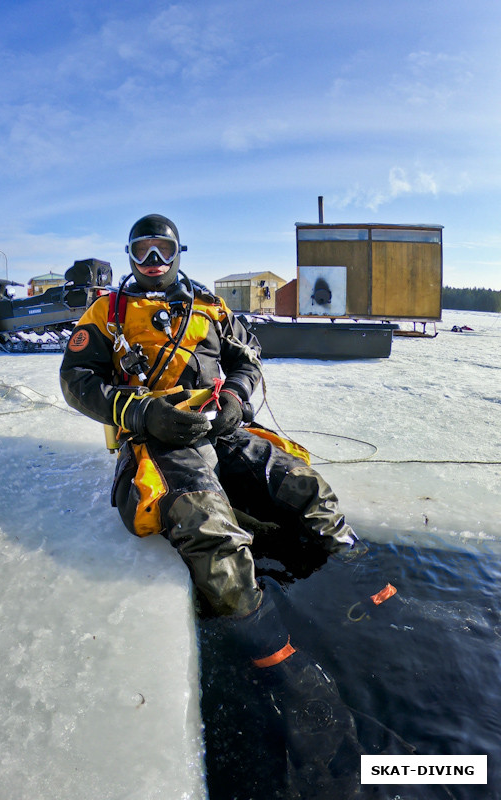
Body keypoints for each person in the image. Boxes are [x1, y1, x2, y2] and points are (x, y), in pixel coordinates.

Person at [59, 212, 363, 679]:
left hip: (219, 426)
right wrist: (140, 412)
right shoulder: (107, 313)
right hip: (156, 437)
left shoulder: (210, 308)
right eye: (142, 251)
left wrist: (237, 400)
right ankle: (272, 654)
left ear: (179, 253)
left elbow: (247, 358)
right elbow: (76, 379)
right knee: (211, 531)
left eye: (163, 249)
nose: (154, 260)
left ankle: (358, 575)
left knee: (303, 485)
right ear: (130, 257)